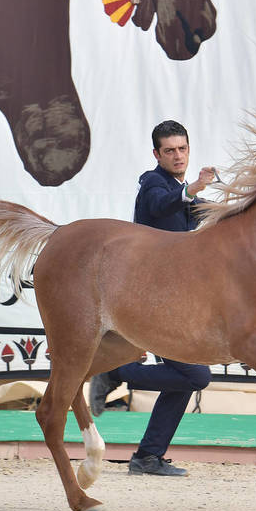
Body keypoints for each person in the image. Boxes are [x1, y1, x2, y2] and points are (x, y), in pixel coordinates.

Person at [88, 120, 215, 476]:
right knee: (196, 376)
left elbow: (202, 209)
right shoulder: (153, 184)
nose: (178, 155)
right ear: (156, 154)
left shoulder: (181, 191)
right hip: (151, 301)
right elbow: (161, 206)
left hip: (171, 300)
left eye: (182, 149)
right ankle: (114, 371)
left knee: (183, 379)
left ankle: (148, 456)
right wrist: (193, 189)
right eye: (170, 150)